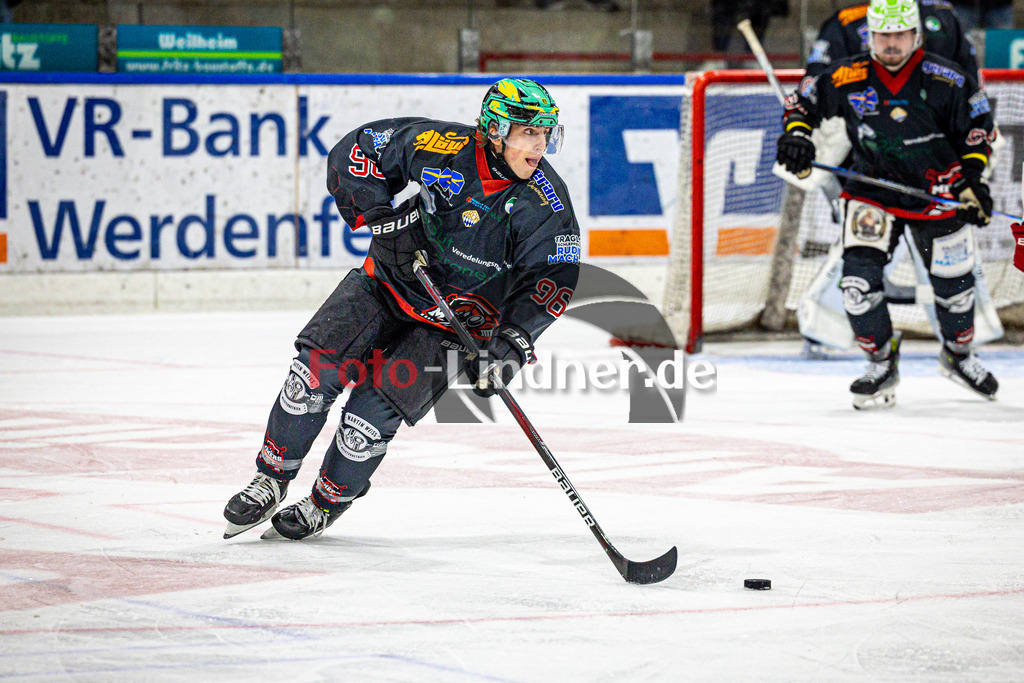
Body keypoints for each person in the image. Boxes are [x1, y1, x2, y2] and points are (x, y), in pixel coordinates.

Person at [222, 78, 581, 540]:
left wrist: (510, 343)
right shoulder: (439, 143)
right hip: (387, 284)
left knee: (368, 420)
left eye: (547, 133)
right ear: (495, 128)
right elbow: (358, 150)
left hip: (454, 325)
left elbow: (554, 278)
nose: (541, 145)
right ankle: (270, 478)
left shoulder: (546, 203)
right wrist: (380, 217)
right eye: (530, 132)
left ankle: (324, 502)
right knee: (310, 377)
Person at [776, 0, 998, 408]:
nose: (890, 44)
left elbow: (979, 129)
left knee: (956, 293)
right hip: (872, 190)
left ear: (916, 35)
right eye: (882, 36)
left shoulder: (947, 79)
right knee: (858, 285)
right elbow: (803, 99)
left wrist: (970, 182)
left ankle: (958, 356)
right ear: (870, 36)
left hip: (937, 191)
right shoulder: (848, 74)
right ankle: (879, 362)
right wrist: (797, 134)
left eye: (899, 35)